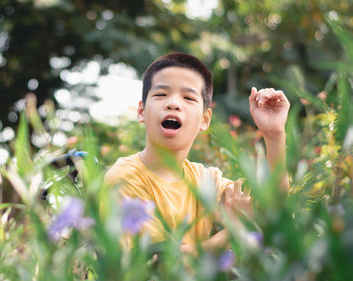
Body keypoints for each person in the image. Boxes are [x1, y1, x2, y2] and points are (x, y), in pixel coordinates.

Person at [102, 52, 290, 254]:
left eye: (188, 97)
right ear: (141, 111)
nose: (173, 103)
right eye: (161, 94)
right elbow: (155, 264)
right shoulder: (124, 177)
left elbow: (272, 209)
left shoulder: (205, 181)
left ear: (205, 119)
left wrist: (274, 134)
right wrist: (235, 228)